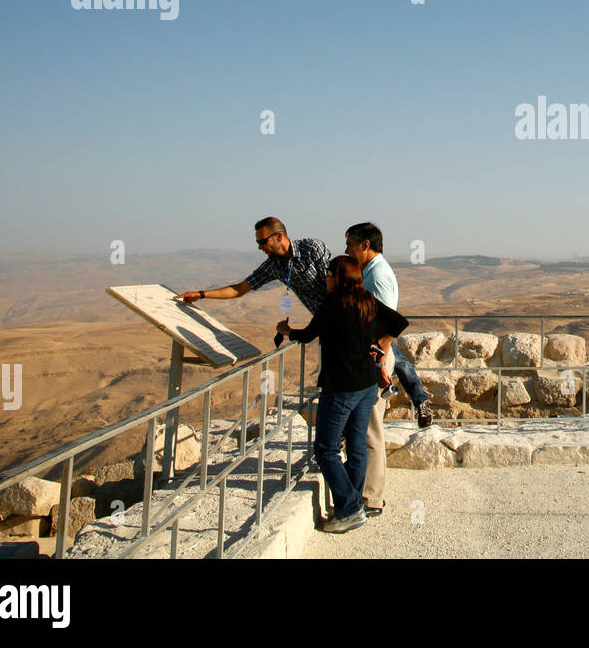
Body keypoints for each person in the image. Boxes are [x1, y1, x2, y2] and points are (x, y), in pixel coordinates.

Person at [173, 216, 431, 421]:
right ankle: (401, 407)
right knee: (369, 367)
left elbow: (342, 271)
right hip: (329, 324)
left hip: (346, 316)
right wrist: (203, 294)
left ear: (280, 236)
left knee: (376, 363)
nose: (260, 247)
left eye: (262, 241)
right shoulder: (273, 266)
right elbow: (241, 288)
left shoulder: (311, 248)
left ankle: (362, 430)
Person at [277, 256, 408, 532]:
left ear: (338, 277)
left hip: (341, 387)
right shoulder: (368, 301)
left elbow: (309, 334)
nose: (325, 278)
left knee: (325, 449)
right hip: (367, 384)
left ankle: (348, 509)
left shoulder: (334, 302)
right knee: (357, 444)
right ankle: (354, 504)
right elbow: (398, 322)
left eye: (328, 273)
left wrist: (287, 331)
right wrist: (378, 345)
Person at [346, 221, 419, 518]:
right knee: (363, 427)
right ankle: (365, 490)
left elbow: (388, 324)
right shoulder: (372, 270)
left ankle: (372, 498)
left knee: (370, 428)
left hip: (375, 359)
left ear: (365, 245)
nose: (347, 250)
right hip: (372, 357)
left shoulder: (378, 275)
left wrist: (379, 363)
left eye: (350, 244)